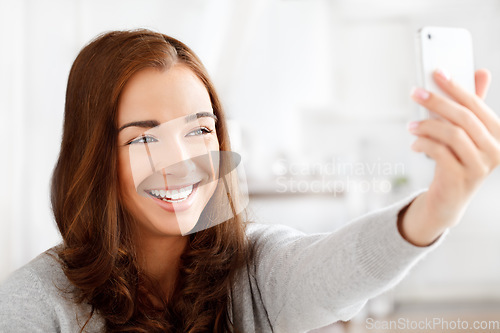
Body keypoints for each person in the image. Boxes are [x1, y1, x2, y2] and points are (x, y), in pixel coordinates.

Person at [0, 29, 498, 333]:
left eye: (199, 130)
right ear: (93, 155)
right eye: (142, 139)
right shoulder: (36, 305)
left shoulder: (250, 270)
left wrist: (438, 207)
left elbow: (330, 269)